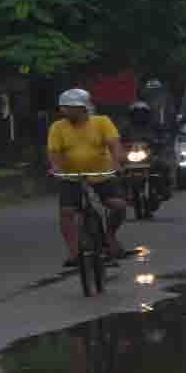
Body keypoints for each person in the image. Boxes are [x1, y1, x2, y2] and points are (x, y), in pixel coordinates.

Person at [47, 88, 129, 267]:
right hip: (71, 177)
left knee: (118, 206)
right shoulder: (58, 127)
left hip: (101, 174)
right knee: (67, 212)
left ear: (84, 108)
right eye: (64, 108)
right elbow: (54, 152)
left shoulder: (102, 122)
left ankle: (110, 235)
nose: (66, 111)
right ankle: (74, 253)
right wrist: (56, 168)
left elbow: (114, 145)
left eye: (71, 108)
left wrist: (117, 162)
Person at [123, 100, 174, 200]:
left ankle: (165, 188)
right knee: (117, 172)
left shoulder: (154, 126)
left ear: (147, 114)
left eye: (142, 113)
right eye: (136, 113)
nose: (139, 115)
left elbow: (163, 136)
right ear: (131, 115)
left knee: (164, 165)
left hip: (150, 155)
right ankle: (123, 193)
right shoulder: (126, 128)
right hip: (131, 157)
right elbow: (117, 139)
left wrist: (161, 141)